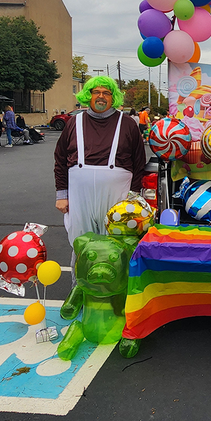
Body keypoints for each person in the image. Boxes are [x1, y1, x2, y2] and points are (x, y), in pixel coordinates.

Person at [54, 76, 146, 292]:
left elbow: (139, 161)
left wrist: (133, 197)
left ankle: (116, 295)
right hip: (80, 195)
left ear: (113, 97)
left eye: (107, 93)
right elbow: (60, 159)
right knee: (81, 244)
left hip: (117, 195)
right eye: (97, 92)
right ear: (88, 96)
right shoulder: (73, 123)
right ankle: (80, 293)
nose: (101, 96)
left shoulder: (128, 124)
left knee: (116, 246)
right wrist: (61, 194)